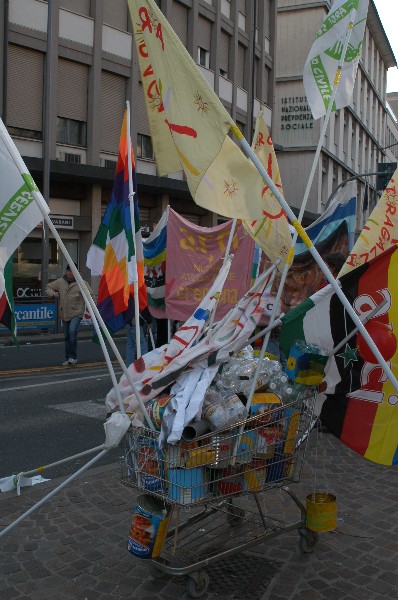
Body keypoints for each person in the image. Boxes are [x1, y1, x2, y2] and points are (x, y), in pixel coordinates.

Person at [46, 264, 93, 366]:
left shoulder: (82, 283)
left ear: (77, 272)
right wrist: (54, 294)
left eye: (72, 271)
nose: (70, 273)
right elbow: (48, 287)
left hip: (77, 313)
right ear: (66, 271)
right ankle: (68, 358)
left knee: (72, 331)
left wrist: (91, 303)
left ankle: (73, 357)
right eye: (68, 270)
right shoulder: (60, 282)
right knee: (67, 336)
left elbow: (91, 295)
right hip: (64, 313)